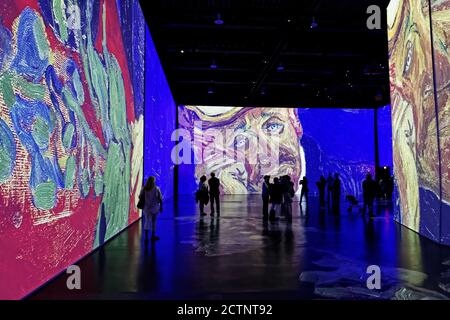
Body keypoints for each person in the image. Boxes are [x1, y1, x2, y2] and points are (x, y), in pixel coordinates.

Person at [139, 176, 163, 242]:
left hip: (146, 208)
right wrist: (161, 207)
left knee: (147, 222)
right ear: (153, 181)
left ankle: (146, 238)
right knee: (153, 222)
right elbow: (160, 198)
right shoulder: (156, 189)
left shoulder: (144, 189)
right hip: (155, 208)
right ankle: (153, 236)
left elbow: (140, 197)